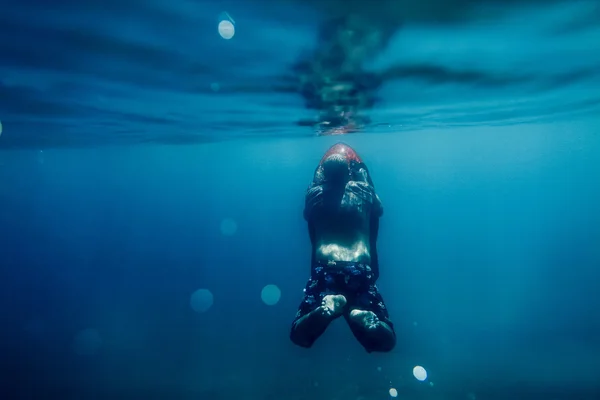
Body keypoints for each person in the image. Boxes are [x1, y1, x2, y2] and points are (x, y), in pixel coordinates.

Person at [290, 142, 396, 353]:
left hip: (326, 266)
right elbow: (379, 210)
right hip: (358, 267)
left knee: (299, 336)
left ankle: (327, 308)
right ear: (348, 173)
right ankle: (361, 315)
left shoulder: (314, 196)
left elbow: (307, 217)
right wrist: (360, 174)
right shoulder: (363, 192)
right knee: (387, 342)